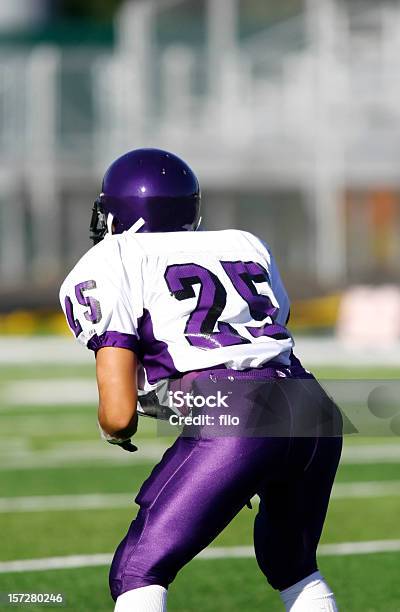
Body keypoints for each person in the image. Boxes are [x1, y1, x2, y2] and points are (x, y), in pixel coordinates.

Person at [60, 148, 342, 612]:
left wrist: (118, 431)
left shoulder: (114, 257)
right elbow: (272, 327)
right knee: (292, 565)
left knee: (137, 571)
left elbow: (118, 413)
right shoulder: (243, 242)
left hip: (233, 412)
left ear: (117, 212)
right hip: (311, 404)